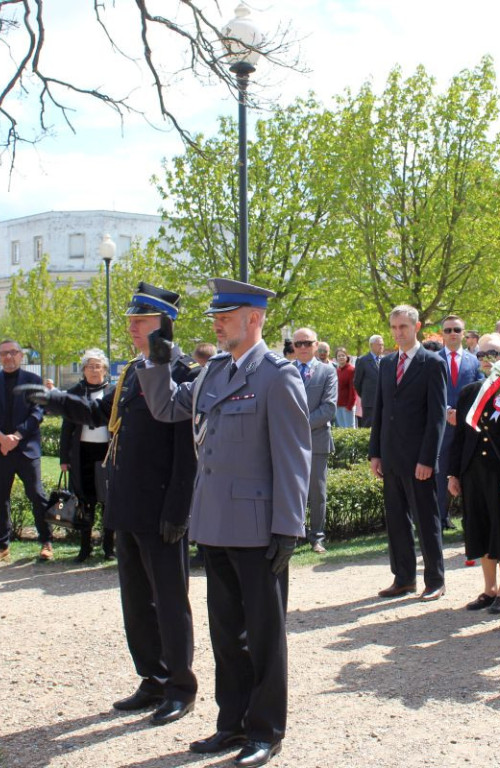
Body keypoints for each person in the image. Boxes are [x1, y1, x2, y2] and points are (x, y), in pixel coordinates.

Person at [136, 278, 311, 768]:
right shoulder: (213, 371)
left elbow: (293, 457)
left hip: (258, 529)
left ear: (254, 319)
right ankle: (230, 722)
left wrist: (287, 527)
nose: (216, 321)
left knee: (263, 635)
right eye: (216, 315)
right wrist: (157, 361)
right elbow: (167, 407)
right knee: (225, 633)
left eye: (226, 315)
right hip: (214, 522)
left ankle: (265, 731)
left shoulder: (278, 376)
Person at [21, 282, 201, 726]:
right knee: (137, 602)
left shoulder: (184, 375)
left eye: (141, 322)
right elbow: (104, 416)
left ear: (165, 325)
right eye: (131, 322)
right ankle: (152, 679)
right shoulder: (133, 371)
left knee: (170, 601)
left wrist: (178, 510)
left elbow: (187, 451)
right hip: (127, 504)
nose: (133, 328)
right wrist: (58, 401)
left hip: (161, 508)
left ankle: (180, 685)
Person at [369, 305, 448, 602]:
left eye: (403, 327)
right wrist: (375, 452)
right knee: (397, 521)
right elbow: (380, 410)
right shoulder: (387, 364)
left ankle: (435, 580)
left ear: (416, 328)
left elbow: (436, 417)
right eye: (394, 327)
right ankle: (403, 578)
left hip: (419, 460)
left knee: (426, 521)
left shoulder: (432, 363)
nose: (398, 332)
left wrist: (428, 459)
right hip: (391, 456)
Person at [447, 334, 500, 615]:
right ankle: (489, 589)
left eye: (493, 353)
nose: (486, 359)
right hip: (474, 471)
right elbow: (459, 436)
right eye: (481, 354)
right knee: (480, 529)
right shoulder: (470, 391)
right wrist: (453, 474)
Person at [0, 339, 52, 565]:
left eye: (13, 353)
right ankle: (1, 546)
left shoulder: (34, 380)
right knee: (0, 498)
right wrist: (1, 438)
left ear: (21, 356)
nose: (9, 357)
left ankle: (47, 541)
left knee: (37, 495)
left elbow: (37, 414)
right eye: (4, 354)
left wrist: (16, 437)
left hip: (26, 448)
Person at [58, 348, 115, 562]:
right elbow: (67, 428)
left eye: (97, 366)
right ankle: (85, 547)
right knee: (85, 501)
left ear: (105, 370)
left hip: (107, 453)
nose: (93, 370)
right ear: (83, 370)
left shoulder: (113, 391)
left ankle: (108, 547)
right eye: (89, 366)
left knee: (109, 501)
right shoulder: (74, 392)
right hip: (82, 453)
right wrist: (64, 458)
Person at [291, 327, 338, 554]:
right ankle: (293, 534)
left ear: (316, 344)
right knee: (290, 490)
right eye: (298, 343)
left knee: (317, 492)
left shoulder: (328, 371)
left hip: (317, 440)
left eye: (307, 343)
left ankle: (317, 537)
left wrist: (298, 426)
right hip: (288, 443)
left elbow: (329, 408)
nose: (302, 347)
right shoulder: (285, 370)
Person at [436, 314, 484, 530]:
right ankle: (439, 519)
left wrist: (463, 413)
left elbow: (478, 389)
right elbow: (432, 391)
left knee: (467, 472)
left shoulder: (474, 361)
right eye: (448, 330)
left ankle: (471, 521)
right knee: (442, 472)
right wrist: (447, 410)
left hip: (466, 426)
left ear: (464, 334)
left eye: (456, 330)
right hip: (442, 426)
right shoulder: (433, 360)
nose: (452, 334)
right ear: (442, 334)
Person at [354, 334, 384, 429]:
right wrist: (365, 394)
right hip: (369, 402)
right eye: (379, 344)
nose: (381, 346)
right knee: (368, 428)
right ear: (371, 345)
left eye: (382, 344)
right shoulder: (363, 360)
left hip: (383, 401)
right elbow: (357, 382)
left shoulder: (385, 360)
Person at [334, 347, 357, 428]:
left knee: (350, 430)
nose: (341, 357)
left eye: (343, 355)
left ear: (347, 357)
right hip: (338, 405)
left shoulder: (351, 370)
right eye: (339, 356)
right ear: (336, 358)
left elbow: (353, 389)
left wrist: (350, 405)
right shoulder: (337, 371)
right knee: (341, 430)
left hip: (347, 406)